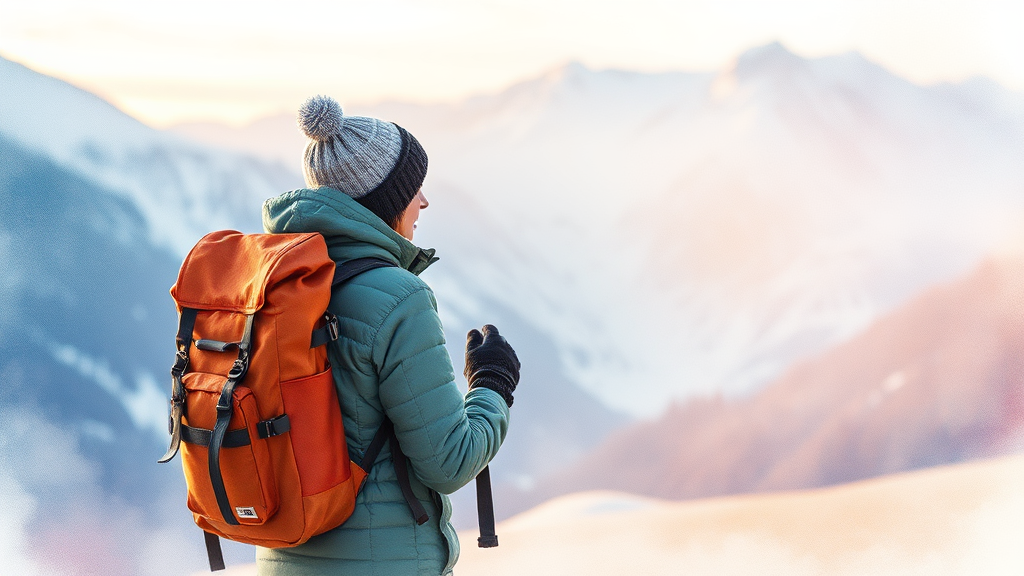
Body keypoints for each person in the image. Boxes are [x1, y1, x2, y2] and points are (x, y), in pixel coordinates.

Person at [257, 95, 520, 576]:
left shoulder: (270, 284)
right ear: (384, 201)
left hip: (281, 558)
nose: (423, 202)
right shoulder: (397, 298)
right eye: (413, 189)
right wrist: (492, 386)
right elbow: (449, 462)